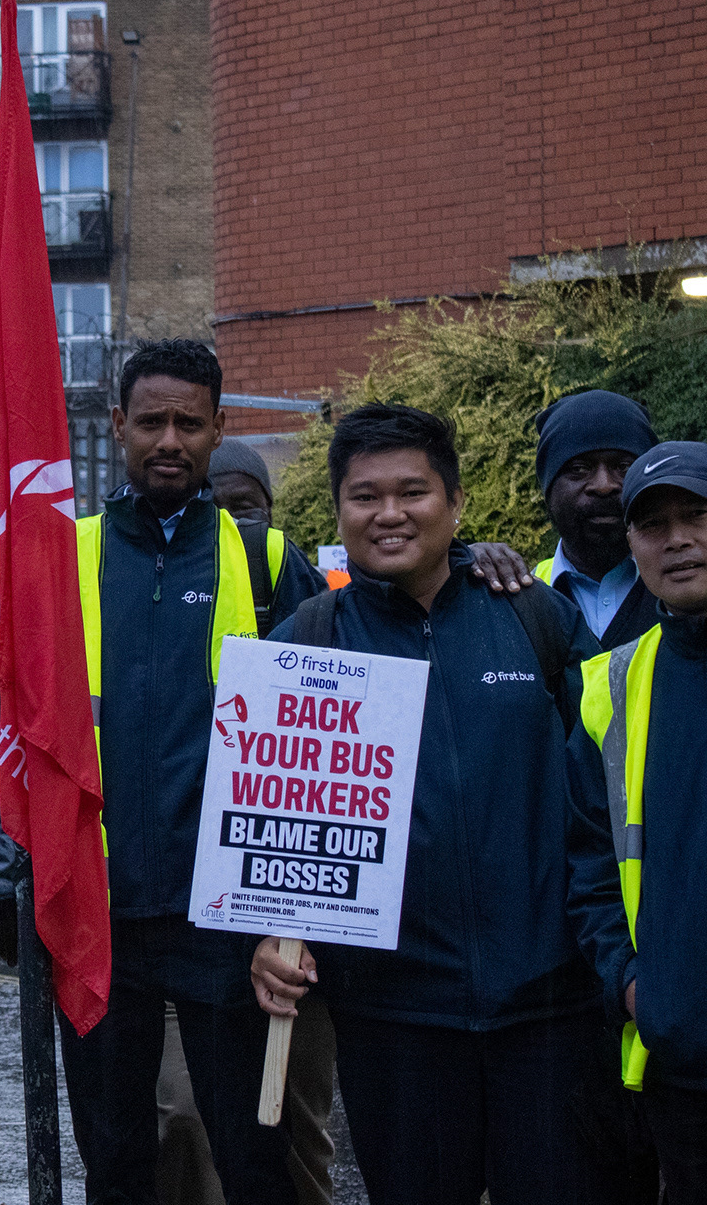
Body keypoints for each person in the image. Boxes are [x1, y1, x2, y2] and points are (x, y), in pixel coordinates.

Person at [253, 403, 604, 1205]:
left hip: (549, 1010)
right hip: (394, 1020)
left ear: (455, 502)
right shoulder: (306, 644)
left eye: (412, 492)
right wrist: (265, 936)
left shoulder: (534, 616)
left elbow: (603, 791)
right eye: (364, 496)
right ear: (338, 511)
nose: (389, 514)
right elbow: (266, 826)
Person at [57, 338, 323, 1205]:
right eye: (151, 422)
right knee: (114, 1160)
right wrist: (6, 867)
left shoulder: (267, 560)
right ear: (116, 426)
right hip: (99, 911)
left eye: (189, 423)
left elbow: (338, 711)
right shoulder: (66, 554)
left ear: (218, 429)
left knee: (252, 1159)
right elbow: (7, 717)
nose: (169, 440)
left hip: (226, 916)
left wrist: (470, 562)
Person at [566, 441, 707, 1201]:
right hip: (682, 1060)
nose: (677, 540)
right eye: (654, 525)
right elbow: (588, 862)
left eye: (697, 515)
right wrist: (631, 986)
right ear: (630, 543)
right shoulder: (612, 687)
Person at [529, 390, 663, 648]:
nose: (604, 485)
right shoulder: (517, 596)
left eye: (624, 467)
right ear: (547, 489)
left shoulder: (690, 585)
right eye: (579, 469)